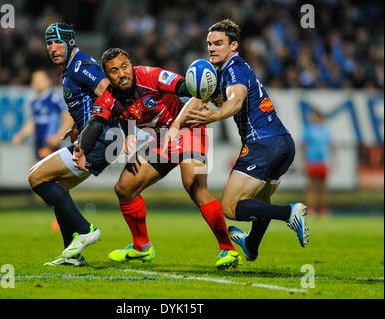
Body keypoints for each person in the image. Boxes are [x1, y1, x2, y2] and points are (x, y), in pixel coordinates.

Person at [73, 48, 242, 268]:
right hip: (162, 139)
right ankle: (142, 248)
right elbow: (95, 124)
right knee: (124, 188)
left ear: (131, 66)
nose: (122, 73)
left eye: (125, 67)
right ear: (107, 76)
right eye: (114, 71)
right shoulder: (108, 99)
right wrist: (82, 148)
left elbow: (185, 86)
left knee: (194, 186)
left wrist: (211, 92)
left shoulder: (151, 76)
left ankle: (227, 249)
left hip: (189, 128)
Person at [165, 19, 309, 262]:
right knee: (260, 201)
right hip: (283, 144)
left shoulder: (235, 68)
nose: (212, 48)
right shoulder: (220, 73)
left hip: (261, 143)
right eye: (209, 43)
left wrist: (216, 115)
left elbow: (236, 100)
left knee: (231, 207)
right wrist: (176, 124)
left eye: (219, 43)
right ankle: (251, 245)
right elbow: (198, 99)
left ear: (233, 46)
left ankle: (289, 212)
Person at [29, 22, 119, 266]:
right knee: (57, 186)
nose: (53, 48)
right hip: (98, 138)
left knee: (36, 177)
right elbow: (92, 101)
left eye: (58, 41)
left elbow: (109, 95)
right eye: (49, 43)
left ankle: (85, 229)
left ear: (70, 42)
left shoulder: (81, 65)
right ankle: (73, 254)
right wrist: (79, 126)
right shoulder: (70, 69)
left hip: (101, 139)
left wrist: (97, 131)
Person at [12, 70, 73, 161]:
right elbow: (33, 123)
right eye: (35, 80)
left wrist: (58, 136)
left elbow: (69, 119)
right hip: (38, 143)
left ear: (48, 82)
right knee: (38, 171)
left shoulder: (54, 99)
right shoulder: (35, 102)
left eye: (41, 80)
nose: (38, 83)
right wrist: (21, 135)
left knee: (48, 172)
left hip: (50, 143)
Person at [301, 109, 334, 216]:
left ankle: (323, 208)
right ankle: (310, 208)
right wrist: (304, 161)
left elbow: (331, 146)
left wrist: (332, 161)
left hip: (322, 161)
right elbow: (303, 146)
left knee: (323, 187)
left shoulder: (325, 131)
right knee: (311, 186)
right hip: (312, 161)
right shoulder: (308, 130)